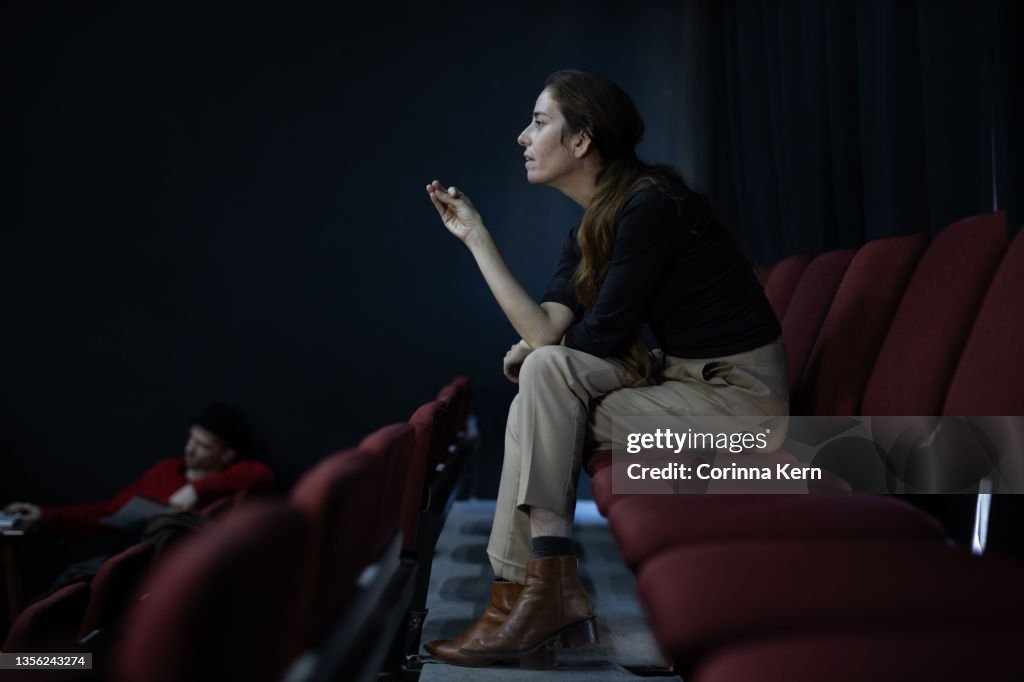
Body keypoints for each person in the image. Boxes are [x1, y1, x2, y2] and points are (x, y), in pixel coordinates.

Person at [423, 69, 788, 669]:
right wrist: (477, 240)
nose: (523, 136)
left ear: (582, 141)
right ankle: (522, 597)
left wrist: (541, 350)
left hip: (743, 413)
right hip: (681, 392)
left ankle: (533, 591)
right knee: (542, 383)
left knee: (544, 382)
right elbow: (547, 330)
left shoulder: (652, 208)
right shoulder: (591, 226)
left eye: (539, 123)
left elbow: (591, 340)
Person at [4, 403, 275, 537]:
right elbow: (108, 512)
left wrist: (195, 490)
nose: (190, 449)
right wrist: (44, 515)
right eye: (190, 439)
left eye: (202, 446)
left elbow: (262, 474)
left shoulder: (233, 479)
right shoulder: (166, 471)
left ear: (226, 454)